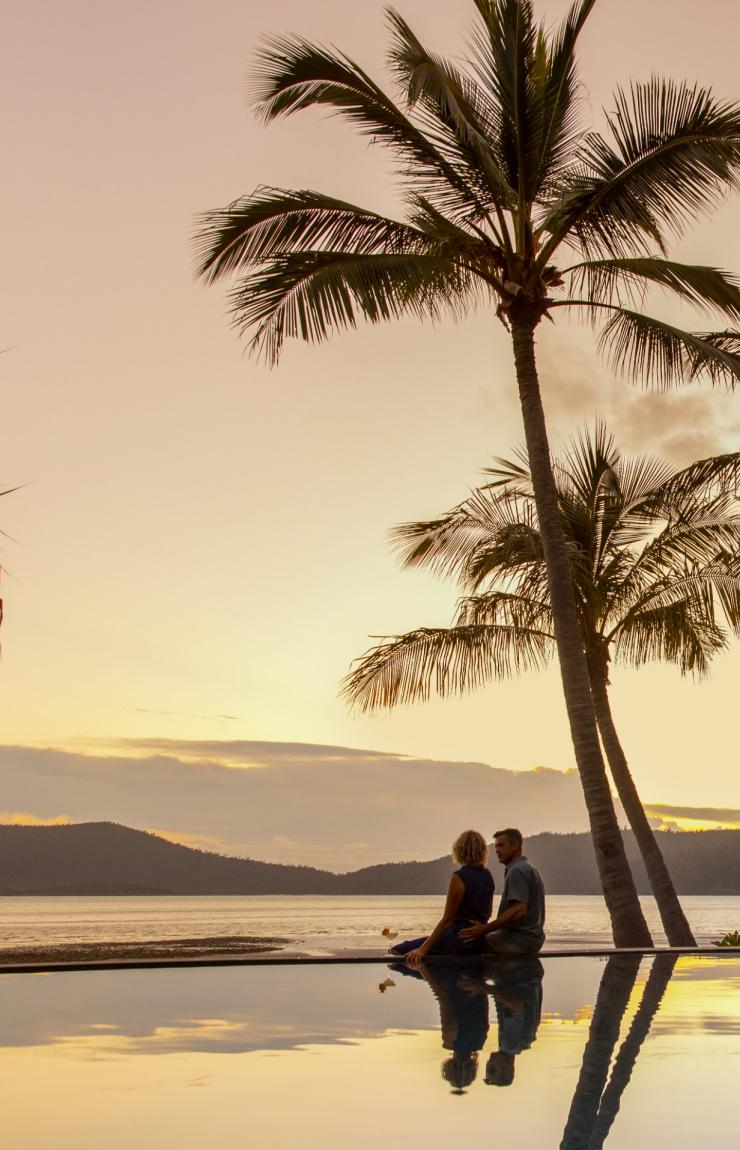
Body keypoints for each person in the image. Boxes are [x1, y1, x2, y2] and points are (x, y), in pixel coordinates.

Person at [389, 829, 495, 965]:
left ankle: (434, 977)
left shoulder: (459, 878)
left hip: (457, 940)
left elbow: (447, 920)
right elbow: (488, 913)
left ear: (459, 850)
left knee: (397, 951)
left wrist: (422, 949)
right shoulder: (488, 876)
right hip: (478, 942)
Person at [459, 828, 545, 955]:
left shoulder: (517, 870)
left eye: (501, 845)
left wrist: (484, 929)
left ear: (515, 845)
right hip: (532, 940)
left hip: (518, 941)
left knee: (463, 943)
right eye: (495, 847)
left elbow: (519, 910)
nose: (496, 850)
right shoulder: (529, 868)